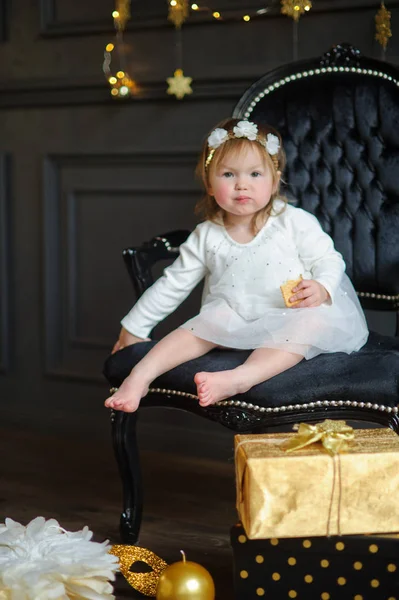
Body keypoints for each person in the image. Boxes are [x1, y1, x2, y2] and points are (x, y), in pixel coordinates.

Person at [105, 118, 368, 413]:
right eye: (229, 174)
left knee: (311, 322)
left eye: (255, 174)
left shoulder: (292, 221)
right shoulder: (207, 235)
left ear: (275, 179)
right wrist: (134, 327)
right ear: (209, 184)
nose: (242, 184)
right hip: (231, 317)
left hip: (287, 314)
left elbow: (328, 260)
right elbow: (172, 284)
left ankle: (240, 378)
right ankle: (139, 376)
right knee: (193, 329)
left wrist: (321, 287)